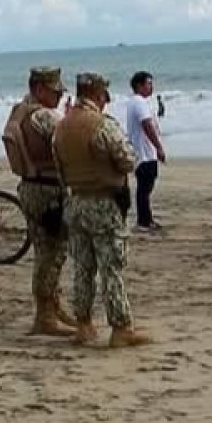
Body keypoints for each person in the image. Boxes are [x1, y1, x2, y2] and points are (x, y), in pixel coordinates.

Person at [53, 72, 149, 349]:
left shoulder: (62, 126)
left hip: (76, 202)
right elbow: (127, 160)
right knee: (111, 269)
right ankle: (121, 328)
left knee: (82, 268)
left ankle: (83, 325)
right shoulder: (101, 125)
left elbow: (60, 168)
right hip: (103, 203)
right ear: (97, 93)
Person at [2, 66, 76, 336]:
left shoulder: (19, 110)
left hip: (30, 186)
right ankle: (45, 316)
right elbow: (67, 143)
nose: (58, 96)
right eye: (55, 91)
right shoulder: (43, 116)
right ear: (40, 89)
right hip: (47, 189)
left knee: (43, 250)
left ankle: (51, 307)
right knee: (52, 253)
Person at [125, 71, 166, 233]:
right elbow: (147, 124)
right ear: (139, 85)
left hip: (142, 151)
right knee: (145, 187)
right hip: (144, 152)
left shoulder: (135, 102)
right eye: (148, 83)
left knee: (145, 187)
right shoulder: (139, 102)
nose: (151, 86)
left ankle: (146, 219)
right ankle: (144, 221)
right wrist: (159, 147)